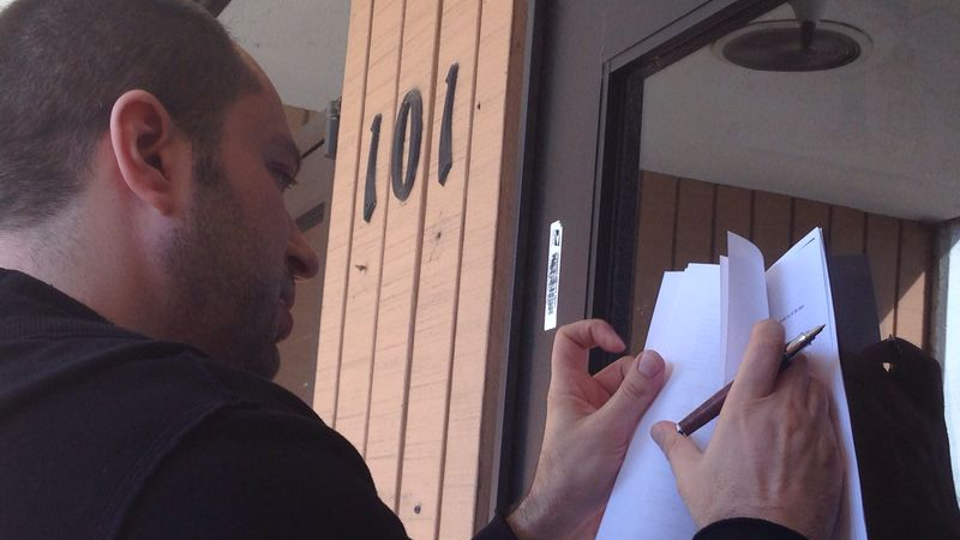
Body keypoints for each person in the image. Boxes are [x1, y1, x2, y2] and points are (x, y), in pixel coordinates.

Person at [0, 0, 842, 539]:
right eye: (280, 175)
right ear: (150, 151)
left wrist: (544, 515)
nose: (305, 248)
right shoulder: (204, 456)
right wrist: (761, 521)